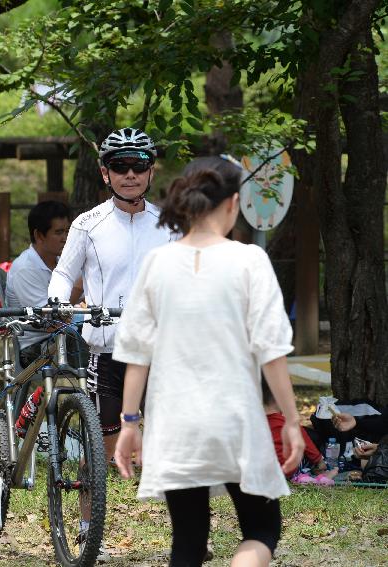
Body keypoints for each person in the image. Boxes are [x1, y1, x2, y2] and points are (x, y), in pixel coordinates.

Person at [112, 166, 305, 567]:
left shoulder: (156, 263)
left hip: (174, 425)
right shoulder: (250, 260)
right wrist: (290, 420)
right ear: (233, 204)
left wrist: (130, 423)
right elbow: (271, 351)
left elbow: (136, 355)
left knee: (187, 542)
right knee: (262, 530)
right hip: (235, 420)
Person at [47, 127, 175, 462]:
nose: (130, 174)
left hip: (158, 352)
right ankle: (91, 515)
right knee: (104, 458)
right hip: (106, 353)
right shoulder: (87, 224)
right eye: (120, 166)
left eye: (138, 165)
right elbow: (63, 274)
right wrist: (59, 303)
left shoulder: (170, 225)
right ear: (106, 173)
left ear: (151, 171)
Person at [5, 200, 78, 367]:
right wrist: (79, 286)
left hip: (64, 335)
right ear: (39, 235)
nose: (65, 238)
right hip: (37, 346)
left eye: (68, 231)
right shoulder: (25, 269)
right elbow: (51, 321)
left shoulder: (62, 261)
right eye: (59, 232)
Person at [261, 377, 336, 485]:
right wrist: (319, 461)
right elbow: (308, 446)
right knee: (303, 455)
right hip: (286, 470)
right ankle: (319, 476)